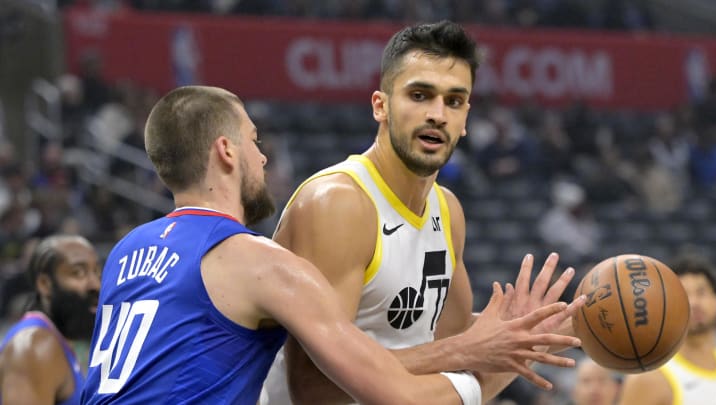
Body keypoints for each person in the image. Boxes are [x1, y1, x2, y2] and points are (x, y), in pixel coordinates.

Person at [80, 85, 582, 405]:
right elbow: (387, 390)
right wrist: (480, 353)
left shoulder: (125, 252)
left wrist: (501, 332)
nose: (264, 158)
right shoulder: (260, 264)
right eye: (255, 142)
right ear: (226, 151)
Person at [262, 20, 584, 404]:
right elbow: (314, 391)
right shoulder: (339, 204)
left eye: (454, 101)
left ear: (466, 118)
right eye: (420, 95)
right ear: (380, 106)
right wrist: (467, 350)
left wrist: (525, 333)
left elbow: (452, 348)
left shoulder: (447, 210)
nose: (438, 114)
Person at [0, 234, 100, 404]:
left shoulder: (55, 341)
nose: (95, 285)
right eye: (78, 273)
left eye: (96, 272)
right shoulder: (33, 345)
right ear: (45, 284)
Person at [618, 254, 716, 405]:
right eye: (684, 294)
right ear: (667, 304)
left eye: (701, 292)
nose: (694, 302)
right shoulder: (649, 379)